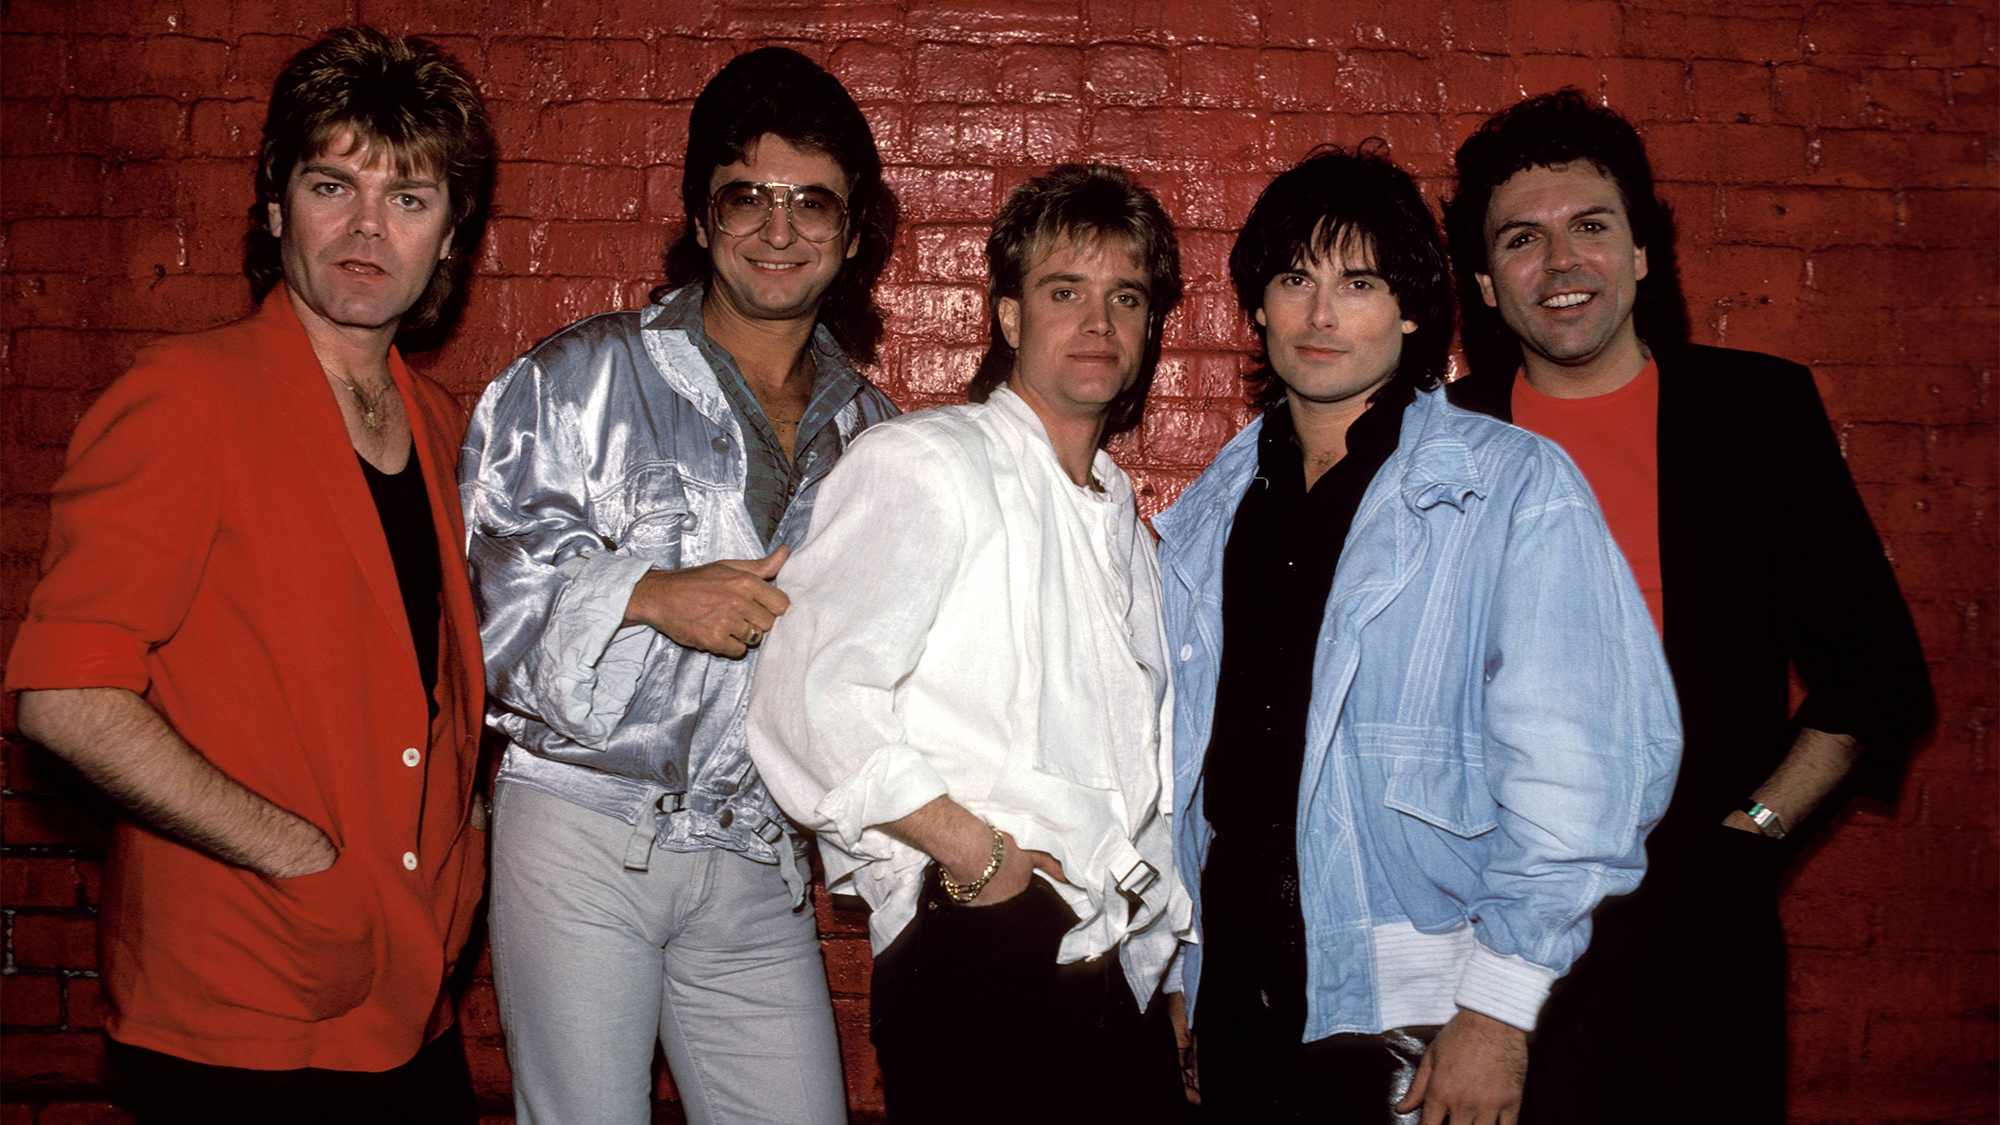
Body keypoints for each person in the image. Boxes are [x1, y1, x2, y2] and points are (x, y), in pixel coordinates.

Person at [5, 27, 495, 1124]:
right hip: (242, 1003)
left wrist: (460, 871)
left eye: (408, 199)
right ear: (277, 209)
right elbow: (67, 695)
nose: (368, 228)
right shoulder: (186, 397)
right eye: (333, 185)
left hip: (406, 996)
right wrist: (300, 860)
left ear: (449, 235)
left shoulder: (434, 421)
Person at [1154, 144, 1681, 1124]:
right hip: (1235, 993)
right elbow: (1192, 778)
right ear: (1256, 307)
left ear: (1407, 309)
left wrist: (1498, 1008)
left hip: (1417, 1011)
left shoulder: (1509, 486)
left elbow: (1586, 772)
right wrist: (1182, 972)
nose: (1319, 315)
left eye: (1357, 283)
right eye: (1293, 279)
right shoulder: (1208, 510)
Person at [1441, 89, 1935, 1123]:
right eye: (1522, 241)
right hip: (1487, 942)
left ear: (1639, 255)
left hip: (1698, 942)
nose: (1560, 264)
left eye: (1590, 227)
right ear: (1485, 284)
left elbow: (1873, 674)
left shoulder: (1753, 414)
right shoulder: (1445, 441)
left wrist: (1746, 837)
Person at [457, 47, 896, 1125]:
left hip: (752, 854)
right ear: (700, 218)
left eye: (812, 203)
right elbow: (478, 596)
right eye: (746, 197)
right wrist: (647, 593)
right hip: (582, 824)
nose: (779, 230)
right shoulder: (579, 379)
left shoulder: (876, 439)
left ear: (850, 233)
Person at [746, 163, 1193, 1125]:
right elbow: (803, 697)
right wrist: (979, 858)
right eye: (1063, 291)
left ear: (1152, 328)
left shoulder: (1130, 530)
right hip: (983, 941)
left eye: (1126, 297)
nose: (1098, 322)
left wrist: (1165, 969)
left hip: (1112, 961)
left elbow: (1144, 771)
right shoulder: (926, 463)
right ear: (1008, 316)